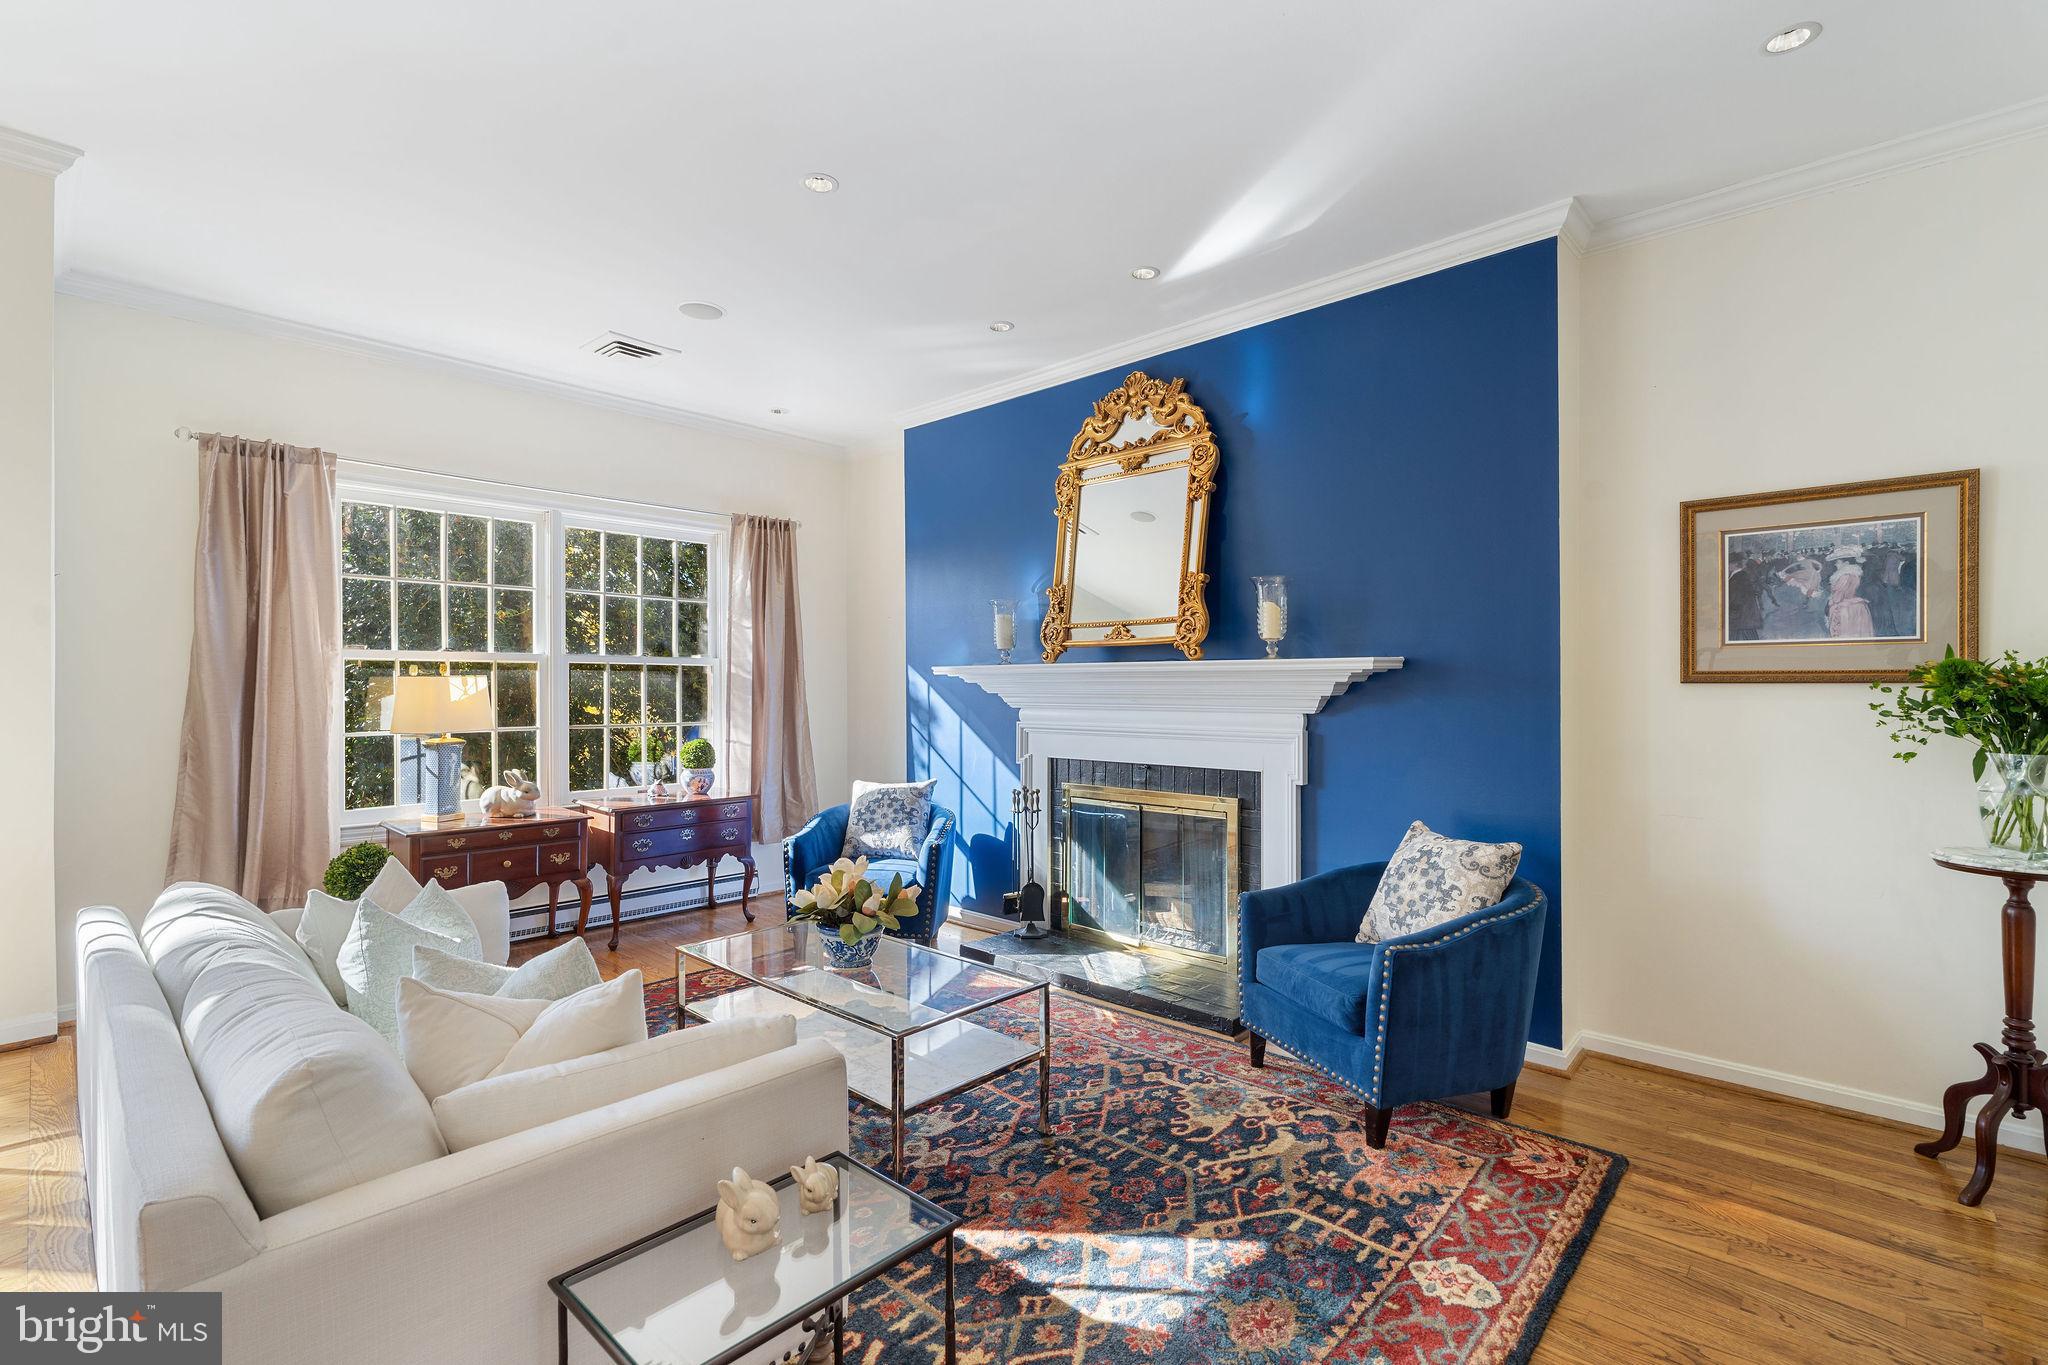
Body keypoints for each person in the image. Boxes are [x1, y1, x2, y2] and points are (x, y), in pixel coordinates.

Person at [1826, 547, 1875, 639]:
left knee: (1846, 632)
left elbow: (1838, 595)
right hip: (1857, 607)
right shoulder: (1855, 574)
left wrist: (1831, 603)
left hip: (1847, 609)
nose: (1836, 564)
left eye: (1838, 562)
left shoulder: (1845, 576)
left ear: (1846, 563)